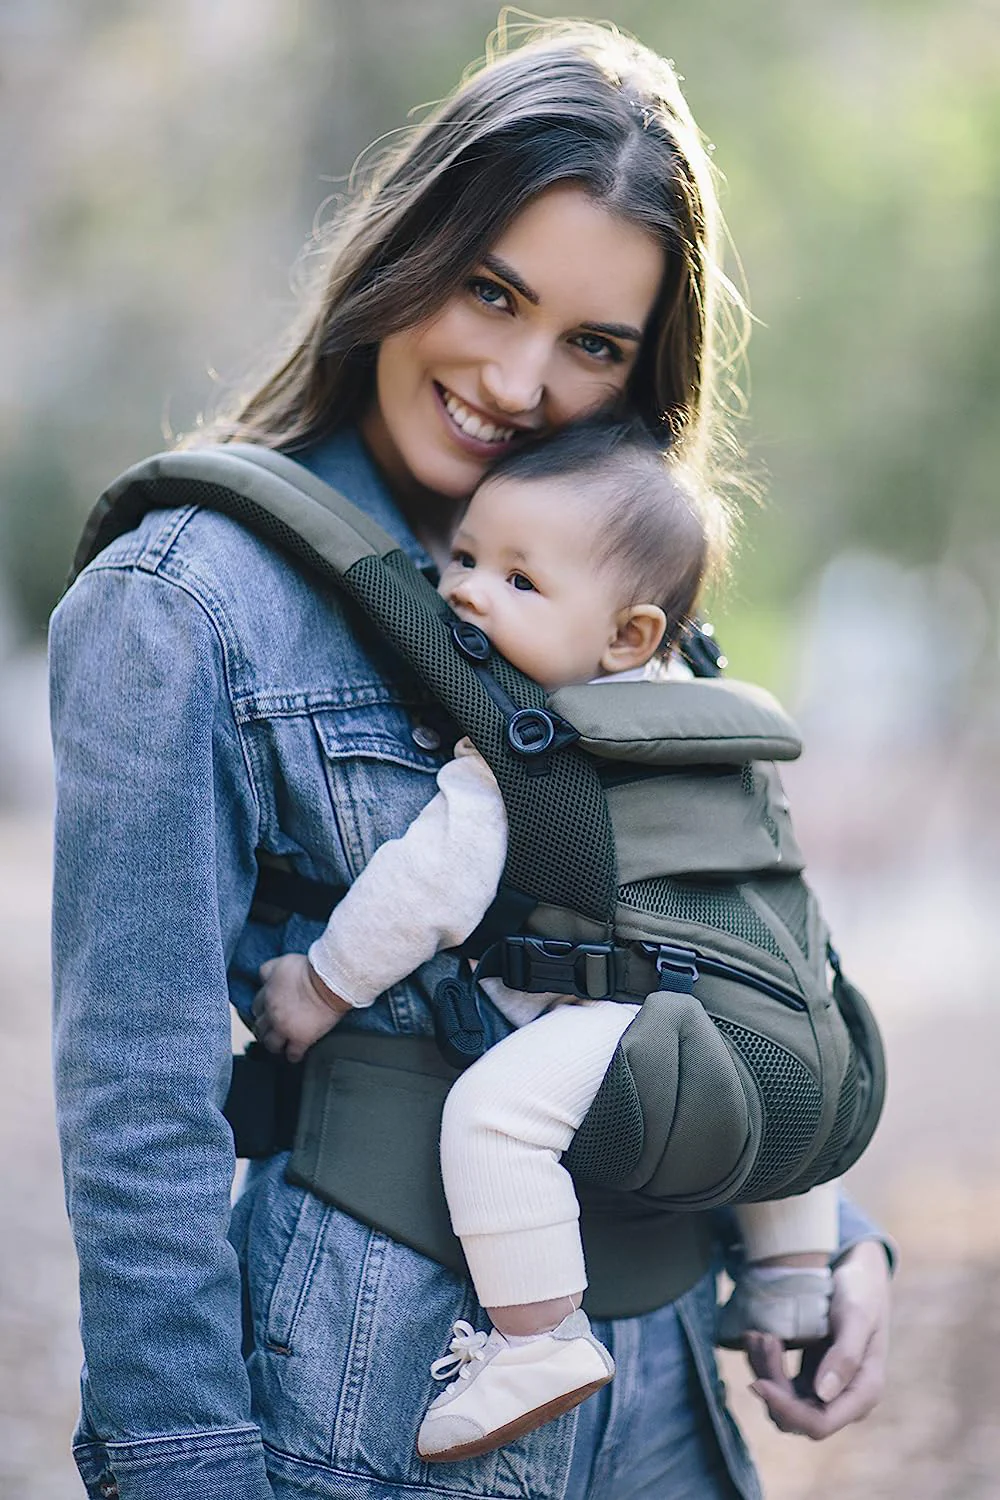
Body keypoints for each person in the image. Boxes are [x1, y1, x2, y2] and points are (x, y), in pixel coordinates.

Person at [50, 20, 892, 1500]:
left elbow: (701, 954)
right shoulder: (185, 603)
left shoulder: (617, 605)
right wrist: (181, 1464)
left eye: (592, 344)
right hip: (377, 1386)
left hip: (666, 1399)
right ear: (405, 252)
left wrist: (836, 1240)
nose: (515, 380)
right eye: (490, 290)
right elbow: (139, 1101)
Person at [252, 420, 841, 1464]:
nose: (468, 595)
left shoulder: (525, 749)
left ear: (626, 636)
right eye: (465, 559)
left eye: (520, 582)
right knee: (768, 1066)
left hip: (629, 1024)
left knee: (493, 1118)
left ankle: (535, 1337)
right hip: (759, 1019)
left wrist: (321, 989)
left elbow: (422, 888)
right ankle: (793, 1278)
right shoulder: (710, 726)